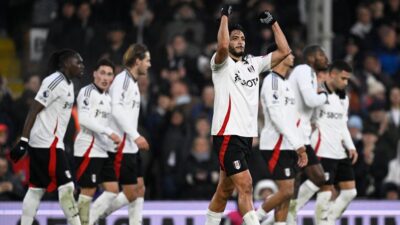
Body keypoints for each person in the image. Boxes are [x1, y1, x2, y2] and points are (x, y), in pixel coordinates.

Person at [205, 6, 291, 225]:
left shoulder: (253, 64)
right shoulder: (220, 63)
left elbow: (284, 51)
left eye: (242, 38)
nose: (240, 41)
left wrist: (273, 23)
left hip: (245, 137)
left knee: (224, 191)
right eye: (235, 38)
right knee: (246, 185)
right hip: (227, 134)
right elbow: (222, 45)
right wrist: (224, 16)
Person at [11, 49, 85, 225]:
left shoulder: (68, 84)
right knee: (67, 187)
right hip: (47, 143)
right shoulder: (54, 81)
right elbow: (34, 109)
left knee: (36, 189)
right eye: (78, 62)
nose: (82, 66)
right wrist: (23, 140)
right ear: (66, 64)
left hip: (48, 142)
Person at [89, 43, 151, 225]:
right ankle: (89, 218)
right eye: (147, 61)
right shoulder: (122, 81)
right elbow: (115, 110)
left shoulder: (132, 82)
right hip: (121, 145)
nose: (149, 64)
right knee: (122, 191)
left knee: (139, 189)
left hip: (130, 145)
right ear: (137, 61)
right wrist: (135, 135)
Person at [256, 45, 308, 225]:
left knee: (287, 195)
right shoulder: (272, 81)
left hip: (289, 144)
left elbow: (292, 118)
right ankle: (254, 218)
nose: (293, 55)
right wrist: (298, 145)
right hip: (275, 144)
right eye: (289, 53)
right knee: (286, 190)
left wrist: (300, 140)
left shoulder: (286, 83)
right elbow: (277, 117)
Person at [73, 58, 121, 225]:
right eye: (102, 73)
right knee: (88, 190)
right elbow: (84, 119)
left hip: (102, 149)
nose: (105, 77)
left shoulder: (108, 99)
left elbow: (105, 125)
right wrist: (109, 132)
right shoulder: (87, 92)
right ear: (94, 74)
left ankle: (88, 221)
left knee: (112, 191)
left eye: (109, 74)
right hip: (87, 148)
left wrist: (112, 143)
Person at [285, 45, 330, 224]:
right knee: (294, 180)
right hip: (292, 134)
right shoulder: (303, 70)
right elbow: (310, 100)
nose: (325, 58)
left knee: (318, 177)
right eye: (321, 54)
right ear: (311, 57)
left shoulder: (310, 75)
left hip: (301, 134)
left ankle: (288, 213)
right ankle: (285, 217)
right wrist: (324, 96)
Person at [310, 60, 358, 225]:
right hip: (322, 148)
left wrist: (351, 147)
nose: (345, 83)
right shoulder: (318, 92)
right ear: (332, 74)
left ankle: (328, 220)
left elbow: (342, 124)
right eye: (343, 78)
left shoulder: (344, 98)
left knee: (350, 192)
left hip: (339, 149)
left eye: (347, 80)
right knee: (325, 192)